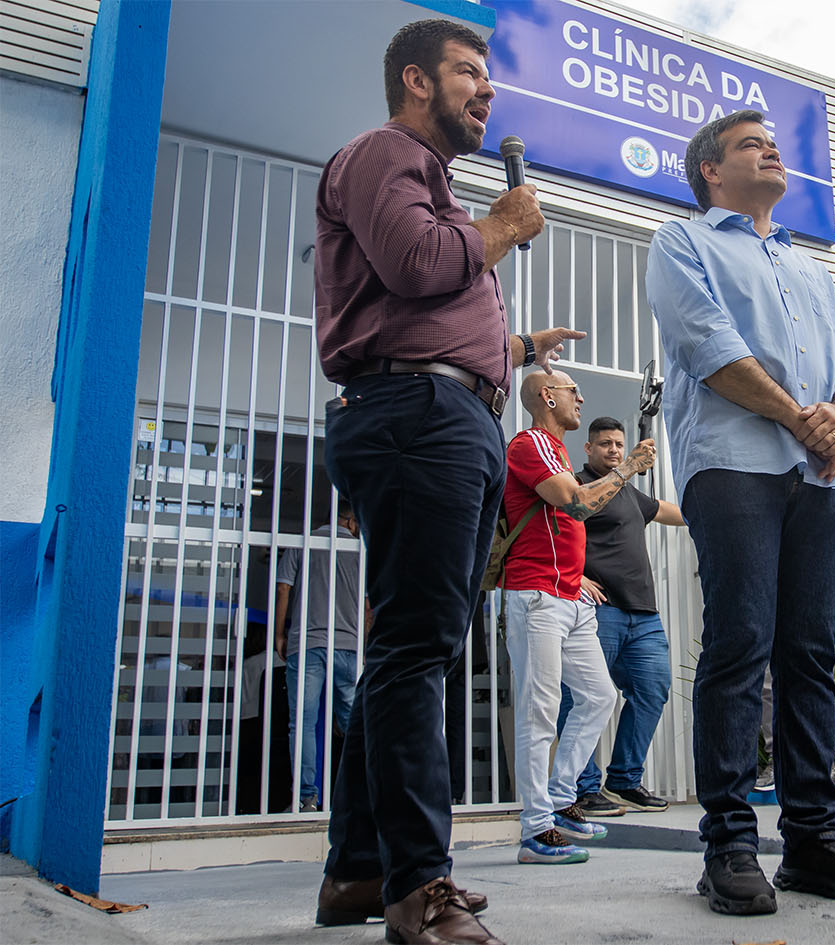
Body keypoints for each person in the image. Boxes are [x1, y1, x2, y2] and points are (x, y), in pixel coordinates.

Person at [312, 19, 581, 944]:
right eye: (469, 72)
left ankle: (358, 871)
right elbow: (418, 265)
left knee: (409, 649)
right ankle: (418, 888)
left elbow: (429, 312)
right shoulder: (386, 152)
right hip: (417, 417)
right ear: (417, 80)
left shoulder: (428, 180)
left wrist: (516, 349)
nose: (487, 90)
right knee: (414, 649)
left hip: (445, 414)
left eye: (488, 76)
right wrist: (502, 225)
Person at [645, 109, 835, 916]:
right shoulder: (682, 242)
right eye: (751, 145)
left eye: (773, 143)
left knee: (808, 654)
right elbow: (707, 344)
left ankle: (814, 841)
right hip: (733, 465)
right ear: (710, 170)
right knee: (739, 643)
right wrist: (802, 418)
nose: (771, 151)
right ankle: (727, 844)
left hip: (820, 477)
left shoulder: (809, 267)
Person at [502, 374, 656, 863]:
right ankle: (535, 829)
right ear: (548, 397)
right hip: (537, 596)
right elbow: (578, 503)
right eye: (573, 391)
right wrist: (628, 467)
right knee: (540, 710)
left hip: (570, 598)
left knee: (599, 696)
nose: (582, 398)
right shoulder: (530, 443)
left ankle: (561, 798)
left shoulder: (558, 452)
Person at [555, 415, 687, 817]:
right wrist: (575, 577)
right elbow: (552, 531)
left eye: (618, 444)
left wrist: (714, 510)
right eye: (605, 444)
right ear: (588, 448)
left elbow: (668, 511)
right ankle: (581, 788)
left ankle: (624, 781)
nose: (613, 450)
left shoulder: (630, 494)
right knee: (580, 698)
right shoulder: (579, 486)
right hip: (599, 611)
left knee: (651, 690)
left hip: (643, 614)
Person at [273, 499, 366, 813]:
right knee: (355, 724)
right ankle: (363, 794)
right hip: (349, 646)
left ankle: (306, 798)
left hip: (307, 643)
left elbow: (283, 589)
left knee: (302, 723)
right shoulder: (360, 551)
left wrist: (280, 634)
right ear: (350, 521)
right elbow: (369, 606)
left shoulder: (304, 541)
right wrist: (364, 645)